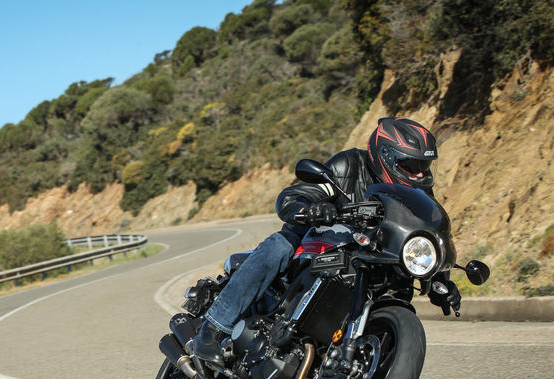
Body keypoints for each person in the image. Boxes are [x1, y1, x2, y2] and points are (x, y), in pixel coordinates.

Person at [191, 117, 462, 366]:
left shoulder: (419, 193)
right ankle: (211, 331)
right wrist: (311, 208)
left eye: (424, 167)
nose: (419, 174)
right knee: (280, 245)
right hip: (321, 240)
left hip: (373, 256)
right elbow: (294, 196)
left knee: (399, 287)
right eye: (410, 166)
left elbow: (424, 237)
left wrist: (440, 280)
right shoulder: (349, 166)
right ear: (385, 157)